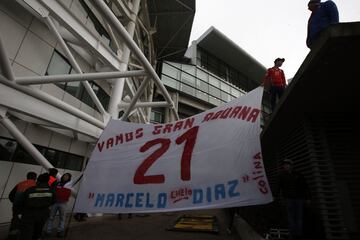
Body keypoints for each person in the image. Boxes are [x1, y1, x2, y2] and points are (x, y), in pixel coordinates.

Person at [278, 159, 310, 240]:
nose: (285, 166)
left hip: (299, 198)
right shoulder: (282, 175)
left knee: (299, 217)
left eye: (287, 164)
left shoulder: (298, 174)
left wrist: (308, 198)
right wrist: (275, 196)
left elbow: (305, 186)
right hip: (289, 199)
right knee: (291, 217)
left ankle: (299, 235)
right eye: (284, 165)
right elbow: (278, 186)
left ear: (291, 165)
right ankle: (293, 235)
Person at [17, 173, 56, 240]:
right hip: (43, 213)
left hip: (29, 213)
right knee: (38, 231)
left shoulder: (30, 189)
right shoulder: (51, 190)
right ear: (47, 181)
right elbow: (53, 201)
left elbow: (22, 201)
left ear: (38, 180)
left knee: (26, 232)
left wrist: (20, 211)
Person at [7, 172, 37, 239]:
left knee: (15, 223)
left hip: (17, 208)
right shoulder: (36, 185)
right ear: (35, 178)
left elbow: (11, 196)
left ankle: (12, 237)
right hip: (29, 210)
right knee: (27, 225)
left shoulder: (20, 184)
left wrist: (15, 203)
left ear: (27, 177)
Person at [45, 173, 72, 238]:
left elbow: (70, 193)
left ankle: (60, 231)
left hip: (63, 203)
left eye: (67, 176)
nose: (65, 177)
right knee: (51, 217)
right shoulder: (57, 183)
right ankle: (48, 231)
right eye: (65, 176)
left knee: (62, 218)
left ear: (69, 178)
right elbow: (53, 191)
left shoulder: (70, 185)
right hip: (55, 202)